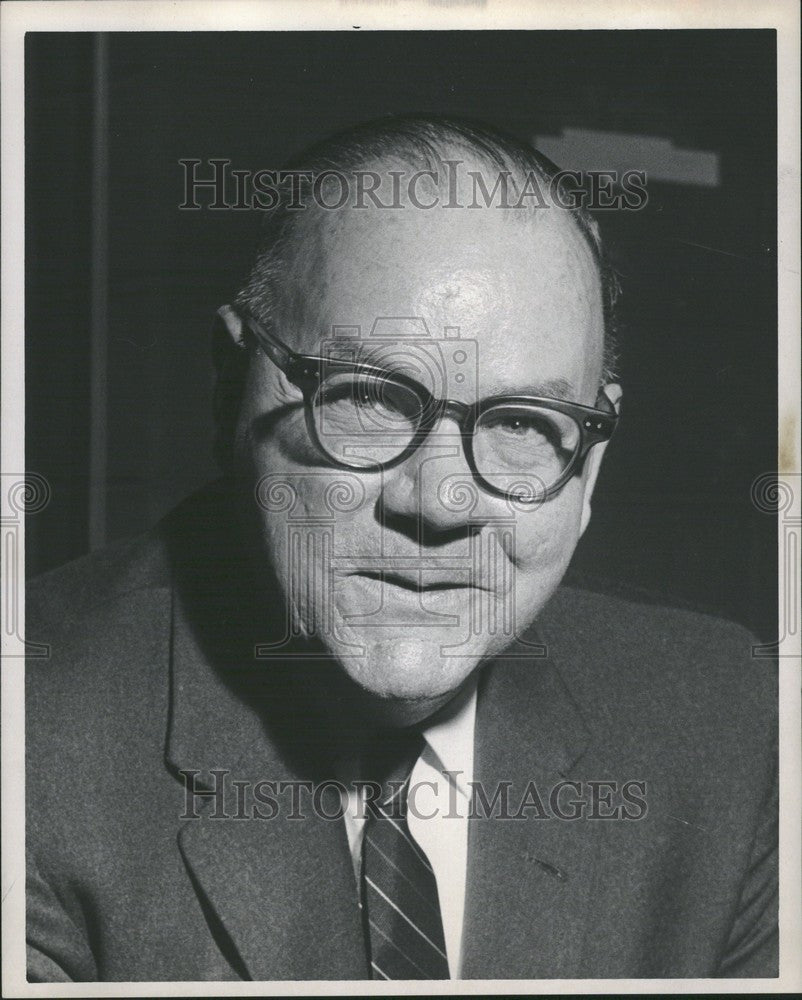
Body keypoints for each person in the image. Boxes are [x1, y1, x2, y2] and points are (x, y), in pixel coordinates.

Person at [26, 116, 777, 982]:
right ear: (229, 389)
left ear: (590, 469)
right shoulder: (33, 749)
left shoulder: (727, 724)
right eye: (372, 399)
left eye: (525, 423)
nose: (437, 503)